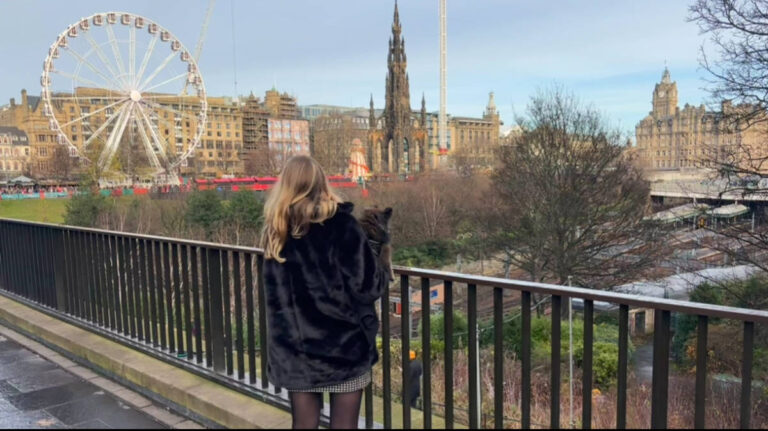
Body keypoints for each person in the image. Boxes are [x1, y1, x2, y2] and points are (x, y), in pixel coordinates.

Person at [261, 155, 390, 429]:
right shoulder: (342, 226)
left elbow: (275, 300)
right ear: (322, 183)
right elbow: (368, 288)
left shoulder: (276, 232)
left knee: (304, 424)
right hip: (342, 348)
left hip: (295, 351)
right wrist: (378, 253)